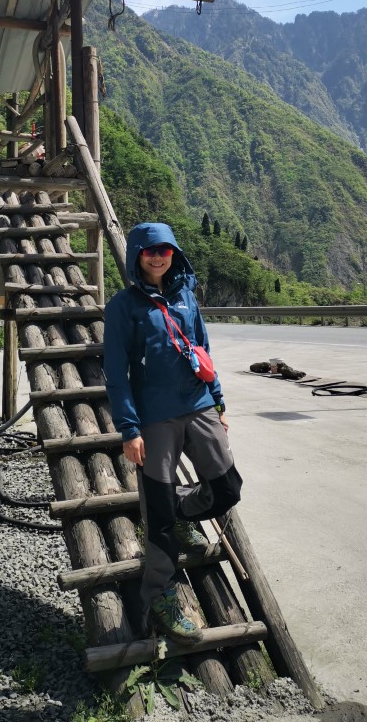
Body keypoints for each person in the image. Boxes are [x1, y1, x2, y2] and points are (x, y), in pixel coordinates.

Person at [104, 222, 242, 643]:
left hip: (199, 405)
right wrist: (129, 429)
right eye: (149, 251)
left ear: (174, 253)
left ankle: (187, 510)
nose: (158, 256)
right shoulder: (123, 307)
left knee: (227, 488)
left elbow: (202, 349)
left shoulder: (185, 296)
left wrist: (217, 401)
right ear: (137, 257)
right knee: (157, 516)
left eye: (165, 249)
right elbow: (117, 373)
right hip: (156, 417)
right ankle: (160, 593)